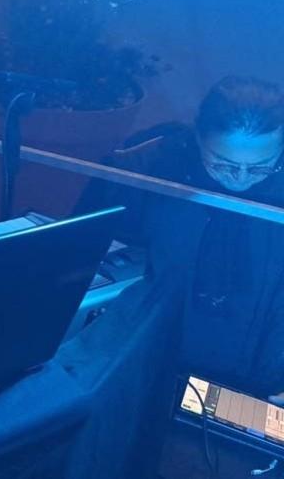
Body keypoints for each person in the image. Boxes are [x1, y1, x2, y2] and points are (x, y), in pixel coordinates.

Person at [78, 75, 284, 397]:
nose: (240, 179)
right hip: (154, 357)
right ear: (199, 139)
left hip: (263, 362)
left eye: (260, 168)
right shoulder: (153, 168)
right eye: (223, 164)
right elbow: (82, 249)